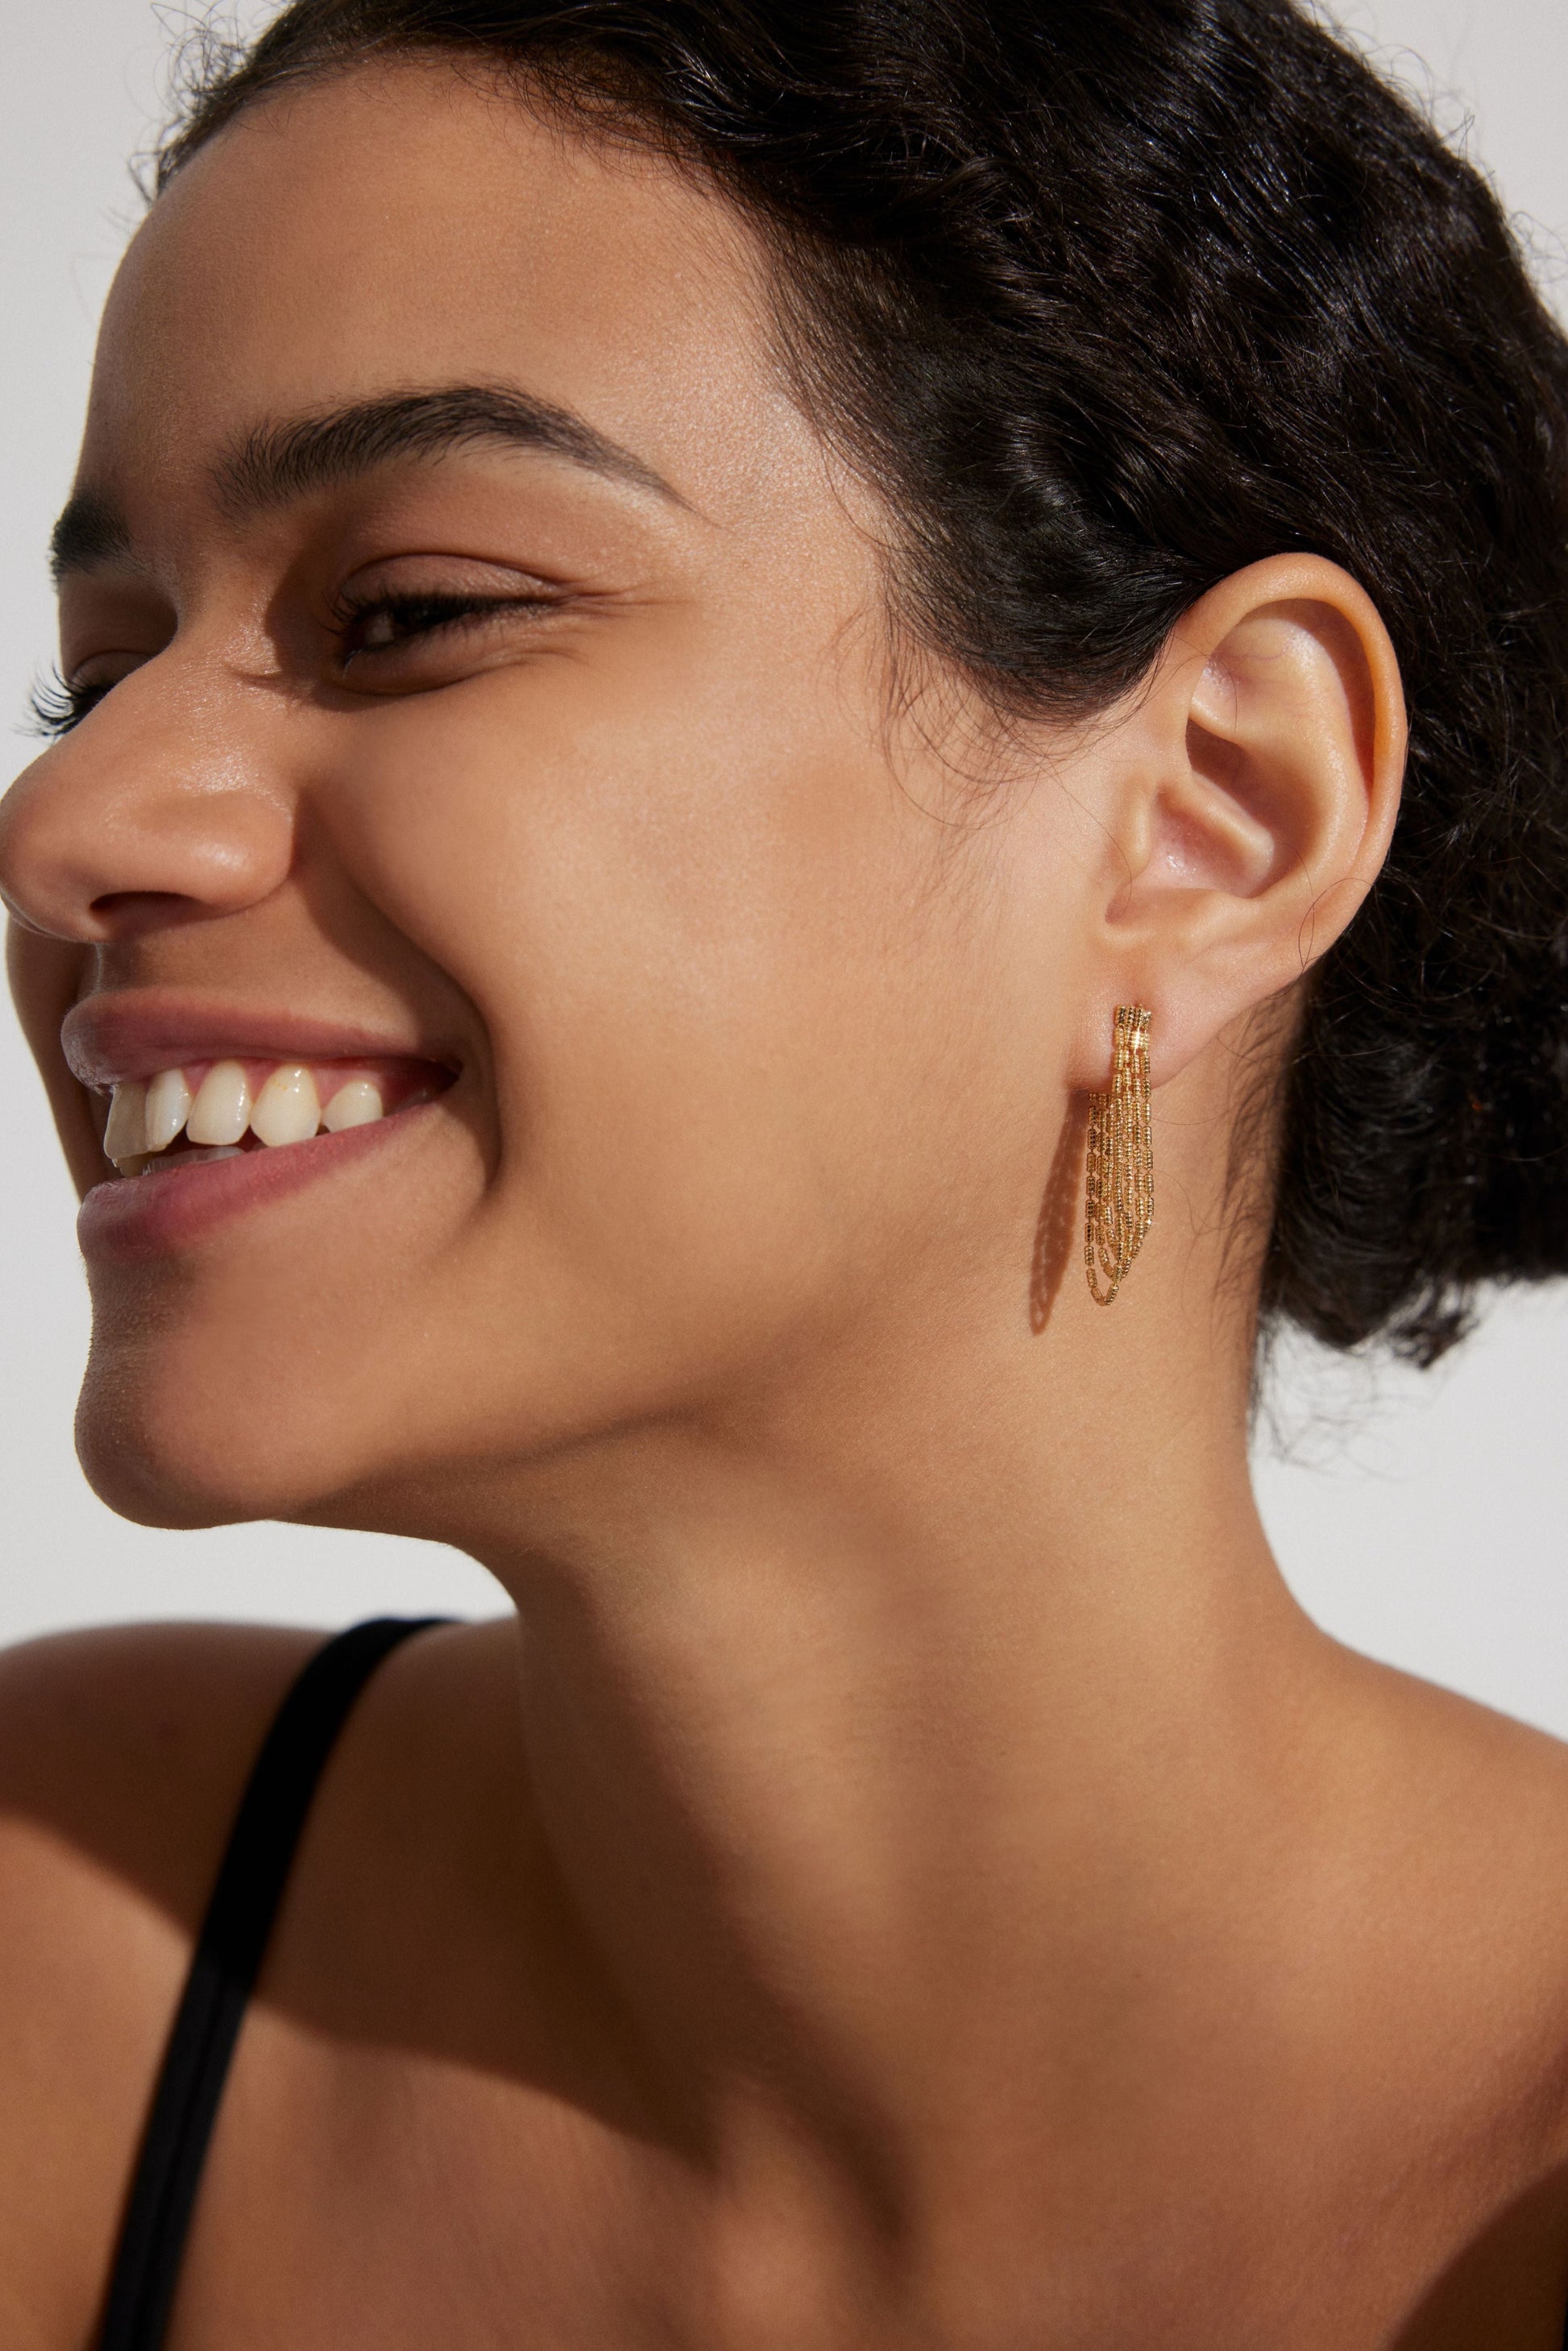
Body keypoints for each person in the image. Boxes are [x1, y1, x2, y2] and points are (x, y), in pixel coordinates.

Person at [4, 0, 1568, 2341]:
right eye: (99, 664)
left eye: (413, 614)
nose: (73, 822)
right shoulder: (66, 1942)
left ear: (1211, 812)